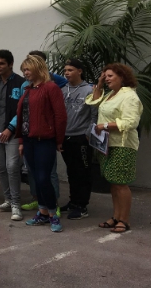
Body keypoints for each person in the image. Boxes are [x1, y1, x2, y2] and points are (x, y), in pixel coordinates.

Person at [87, 63, 142, 234]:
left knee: (120, 184)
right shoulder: (111, 94)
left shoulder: (129, 96)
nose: (107, 78)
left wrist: (104, 126)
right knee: (113, 182)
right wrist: (100, 83)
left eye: (110, 76)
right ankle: (116, 216)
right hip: (107, 144)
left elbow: (130, 122)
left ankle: (124, 220)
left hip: (122, 145)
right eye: (105, 75)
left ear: (122, 77)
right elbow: (95, 102)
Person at [17, 55, 67, 232]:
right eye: (23, 70)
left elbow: (60, 116)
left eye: (27, 69)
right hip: (29, 140)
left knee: (43, 178)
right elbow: (23, 118)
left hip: (45, 141)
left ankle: (53, 215)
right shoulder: (28, 90)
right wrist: (22, 141)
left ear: (37, 68)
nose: (25, 73)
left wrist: (59, 140)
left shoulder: (51, 88)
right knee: (35, 179)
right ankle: (43, 212)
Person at [0, 50, 26, 220]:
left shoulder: (21, 83)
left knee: (12, 167)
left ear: (10, 64)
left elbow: (22, 109)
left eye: (1, 63)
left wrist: (10, 128)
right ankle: (7, 200)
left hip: (12, 134)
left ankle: (16, 204)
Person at [60, 58, 98, 220]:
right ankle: (73, 202)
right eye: (65, 71)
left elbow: (94, 114)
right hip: (65, 137)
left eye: (70, 70)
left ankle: (82, 206)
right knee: (71, 171)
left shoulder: (89, 90)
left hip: (81, 138)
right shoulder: (62, 90)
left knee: (83, 172)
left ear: (80, 71)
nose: (67, 73)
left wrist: (88, 134)